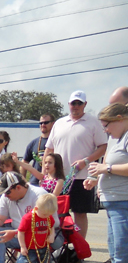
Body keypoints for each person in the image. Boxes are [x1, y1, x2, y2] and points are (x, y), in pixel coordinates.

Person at [45, 90, 108, 239]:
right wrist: (45, 172)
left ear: (85, 104)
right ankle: (58, 245)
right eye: (73, 103)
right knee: (56, 211)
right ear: (69, 104)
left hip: (81, 177)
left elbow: (103, 147)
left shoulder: (93, 122)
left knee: (79, 213)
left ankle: (78, 250)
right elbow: (49, 148)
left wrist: (86, 161)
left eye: (79, 103)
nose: (76, 106)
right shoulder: (59, 123)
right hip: (58, 178)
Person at [86, 103, 128, 263]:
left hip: (124, 203)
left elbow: (116, 167)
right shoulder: (118, 138)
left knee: (123, 253)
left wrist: (107, 168)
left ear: (120, 118)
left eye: (107, 125)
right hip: (114, 203)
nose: (105, 130)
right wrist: (97, 178)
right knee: (115, 252)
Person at [11, 193, 61, 263]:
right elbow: (21, 232)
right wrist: (23, 247)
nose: (46, 217)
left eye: (48, 215)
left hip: (44, 247)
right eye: (44, 214)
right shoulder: (28, 218)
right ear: (37, 208)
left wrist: (52, 235)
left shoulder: (48, 217)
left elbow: (51, 226)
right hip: (30, 249)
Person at [22, 115, 55, 186]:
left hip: (52, 183)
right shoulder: (34, 143)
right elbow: (24, 162)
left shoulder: (56, 141)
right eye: (41, 123)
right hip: (34, 183)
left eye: (46, 122)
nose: (43, 125)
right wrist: (23, 182)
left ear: (53, 124)